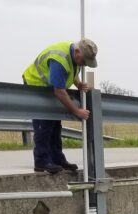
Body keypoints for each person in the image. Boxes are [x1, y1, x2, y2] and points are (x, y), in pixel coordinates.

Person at [22, 39, 98, 174]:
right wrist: (77, 111)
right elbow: (59, 91)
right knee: (44, 125)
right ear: (77, 52)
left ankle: (57, 159)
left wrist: (78, 84)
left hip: (49, 88)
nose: (84, 64)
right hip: (36, 86)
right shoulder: (59, 60)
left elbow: (70, 72)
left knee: (55, 125)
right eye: (84, 61)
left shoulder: (74, 56)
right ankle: (41, 161)